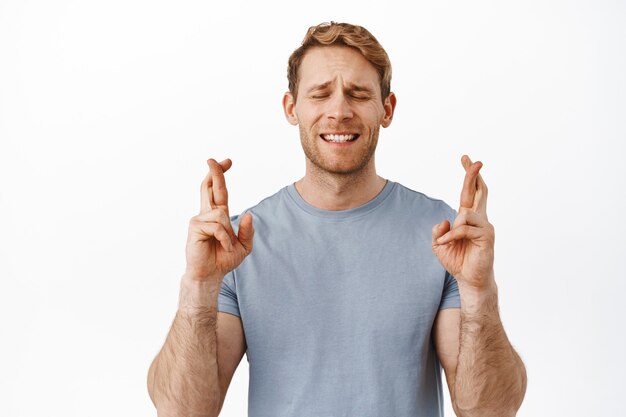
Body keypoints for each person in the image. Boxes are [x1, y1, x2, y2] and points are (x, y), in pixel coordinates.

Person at [147, 21, 527, 417]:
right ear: (292, 108)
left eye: (359, 94)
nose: (340, 111)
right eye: (321, 93)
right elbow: (182, 412)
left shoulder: (444, 237)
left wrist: (479, 289)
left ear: (387, 109)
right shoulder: (237, 244)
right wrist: (200, 284)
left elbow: (489, 411)